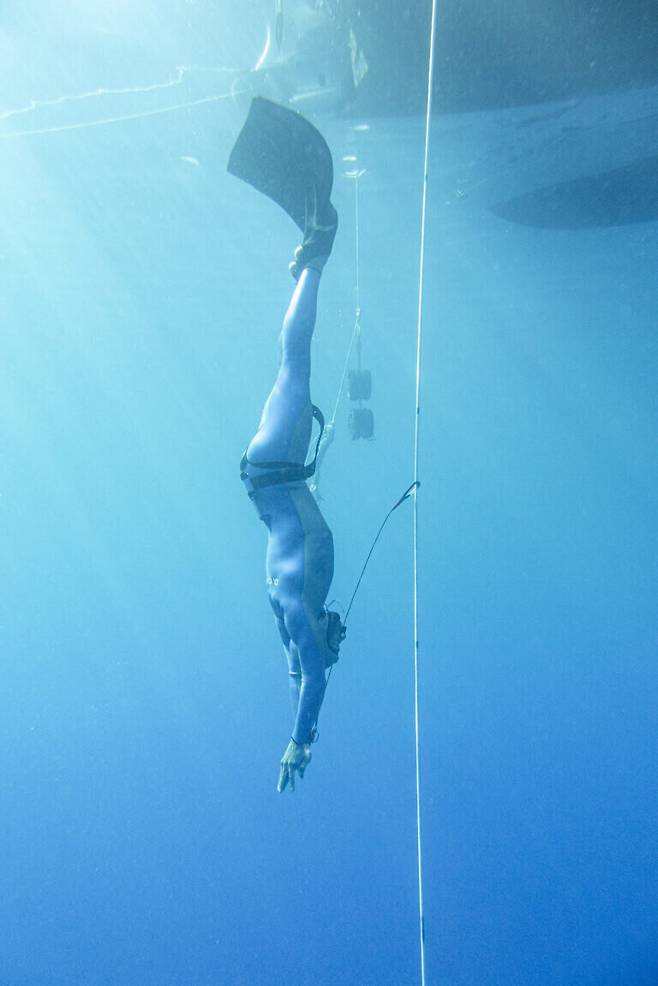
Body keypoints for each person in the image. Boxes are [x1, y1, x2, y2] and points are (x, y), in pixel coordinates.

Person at [228, 98, 345, 792]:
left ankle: (317, 246)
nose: (338, 637)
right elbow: (301, 663)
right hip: (275, 475)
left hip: (274, 471)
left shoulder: (301, 629)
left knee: (294, 361)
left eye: (329, 643)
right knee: (291, 361)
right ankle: (310, 254)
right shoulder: (298, 623)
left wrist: (299, 745)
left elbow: (311, 679)